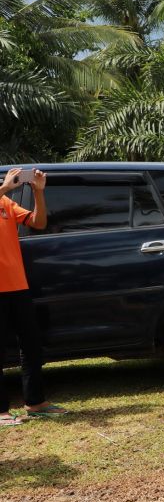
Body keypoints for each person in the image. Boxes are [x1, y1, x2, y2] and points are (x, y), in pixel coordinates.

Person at [0, 167, 67, 425]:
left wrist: (38, 192)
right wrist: (6, 186)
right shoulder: (4, 193)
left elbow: (38, 223)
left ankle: (35, 402)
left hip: (18, 286)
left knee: (31, 345)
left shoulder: (6, 202)